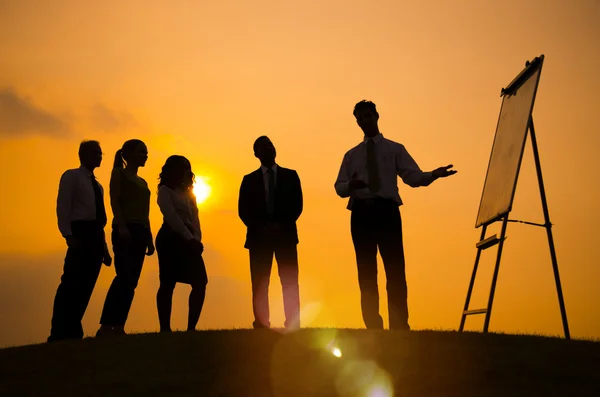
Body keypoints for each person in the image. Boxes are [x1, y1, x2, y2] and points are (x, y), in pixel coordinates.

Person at [334, 100, 457, 330]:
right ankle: (373, 326)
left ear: (376, 116)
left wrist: (434, 174)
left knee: (395, 270)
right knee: (366, 272)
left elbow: (413, 177)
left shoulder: (394, 149)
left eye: (367, 116)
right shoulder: (351, 155)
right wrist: (351, 185)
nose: (363, 121)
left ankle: (399, 325)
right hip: (361, 213)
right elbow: (339, 187)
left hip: (387, 211)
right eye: (359, 118)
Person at [48, 140, 112, 342]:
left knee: (86, 285)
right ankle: (59, 332)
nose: (99, 156)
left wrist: (104, 248)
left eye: (101, 153)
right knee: (70, 283)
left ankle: (73, 330)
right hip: (80, 232)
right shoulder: (72, 176)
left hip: (94, 234)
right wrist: (68, 235)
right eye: (95, 153)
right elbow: (63, 206)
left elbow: (99, 220)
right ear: (83, 155)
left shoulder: (98, 185)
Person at [238, 136, 303, 330]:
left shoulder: (291, 176)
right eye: (264, 147)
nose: (269, 149)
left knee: (289, 281)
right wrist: (262, 227)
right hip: (259, 238)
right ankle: (261, 322)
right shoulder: (249, 180)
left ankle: (293, 321)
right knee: (259, 282)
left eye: (271, 145)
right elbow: (244, 210)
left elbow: (297, 205)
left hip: (285, 236)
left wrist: (280, 225)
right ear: (256, 154)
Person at [96, 139, 154, 337]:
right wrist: (121, 226)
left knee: (132, 281)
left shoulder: (143, 182)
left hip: (140, 231)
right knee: (123, 277)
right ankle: (105, 325)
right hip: (124, 230)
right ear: (127, 154)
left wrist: (149, 237)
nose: (145, 155)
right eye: (141, 152)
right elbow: (114, 200)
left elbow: (146, 212)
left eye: (146, 152)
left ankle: (119, 325)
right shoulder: (118, 173)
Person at [155, 155, 208, 332]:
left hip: (190, 240)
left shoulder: (190, 193)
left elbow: (195, 218)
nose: (186, 172)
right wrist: (189, 237)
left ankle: (191, 327)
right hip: (170, 238)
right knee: (167, 283)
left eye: (187, 168)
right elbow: (171, 217)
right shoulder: (165, 191)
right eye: (182, 168)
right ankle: (165, 328)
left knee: (200, 282)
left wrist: (197, 239)